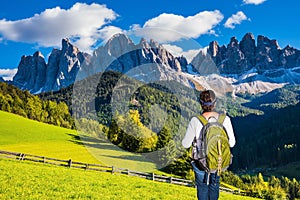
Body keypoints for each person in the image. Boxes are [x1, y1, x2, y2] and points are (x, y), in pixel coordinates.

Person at [182, 89, 236, 200]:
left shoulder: (195, 121)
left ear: (201, 104)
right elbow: (232, 143)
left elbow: (186, 144)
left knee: (202, 186)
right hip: (218, 161)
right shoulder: (225, 119)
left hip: (200, 162)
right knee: (214, 186)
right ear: (215, 103)